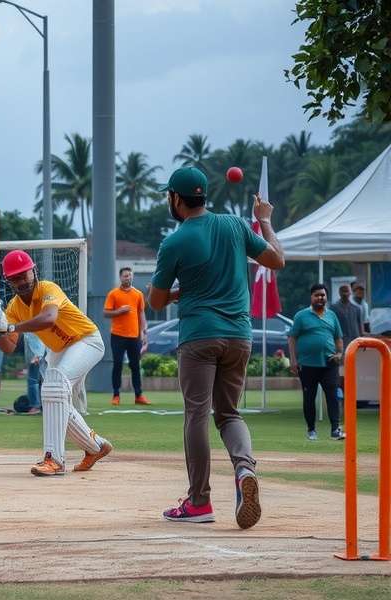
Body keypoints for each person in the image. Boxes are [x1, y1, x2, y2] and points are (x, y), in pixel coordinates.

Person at [148, 167, 284, 530]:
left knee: (197, 414)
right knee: (229, 413)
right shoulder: (237, 225)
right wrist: (265, 221)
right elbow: (276, 260)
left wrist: (184, 290)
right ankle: (244, 470)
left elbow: (157, 301)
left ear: (176, 199)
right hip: (240, 334)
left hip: (199, 336)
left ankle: (199, 502)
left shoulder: (174, 242)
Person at [0, 250, 113, 476]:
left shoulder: (47, 288)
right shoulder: (14, 307)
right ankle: (96, 447)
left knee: (54, 385)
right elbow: (9, 347)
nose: (21, 282)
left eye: (23, 275)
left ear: (33, 271)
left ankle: (54, 459)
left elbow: (48, 319)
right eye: (15, 278)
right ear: (9, 282)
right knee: (54, 395)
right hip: (59, 349)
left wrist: (11, 327)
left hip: (86, 340)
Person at [288, 283, 346, 442]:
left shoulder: (332, 315)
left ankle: (335, 429)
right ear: (311, 297)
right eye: (317, 295)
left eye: (323, 295)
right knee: (309, 398)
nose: (320, 298)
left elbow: (338, 337)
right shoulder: (301, 316)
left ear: (326, 297)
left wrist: (340, 353)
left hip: (329, 363)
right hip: (307, 365)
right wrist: (293, 360)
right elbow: (292, 337)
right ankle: (311, 430)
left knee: (332, 397)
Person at [104, 266, 150, 406]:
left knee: (135, 365)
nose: (128, 278)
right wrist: (119, 311)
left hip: (134, 336)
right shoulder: (113, 294)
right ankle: (116, 395)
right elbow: (106, 313)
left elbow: (141, 313)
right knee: (117, 364)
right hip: (117, 335)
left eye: (130, 275)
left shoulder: (138, 294)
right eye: (125, 276)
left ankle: (139, 395)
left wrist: (144, 332)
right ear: (120, 277)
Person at [330, 284, 362, 352]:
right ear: (339, 293)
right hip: (340, 344)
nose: (345, 293)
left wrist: (361, 342)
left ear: (350, 292)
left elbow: (360, 329)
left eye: (347, 291)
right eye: (343, 291)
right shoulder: (333, 308)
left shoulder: (356, 309)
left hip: (355, 343)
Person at [23, 332, 45, 414]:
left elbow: (40, 340)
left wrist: (38, 355)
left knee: (33, 381)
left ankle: (35, 406)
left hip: (37, 355)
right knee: (40, 381)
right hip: (35, 355)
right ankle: (42, 405)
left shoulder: (34, 326)